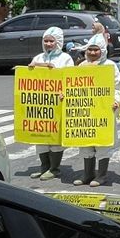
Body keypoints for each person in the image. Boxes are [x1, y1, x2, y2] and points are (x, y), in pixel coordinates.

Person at [71, 35, 120, 187]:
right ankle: (88, 173)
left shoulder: (110, 66)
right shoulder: (82, 66)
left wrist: (116, 101)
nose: (92, 53)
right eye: (90, 50)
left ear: (103, 51)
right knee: (85, 141)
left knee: (103, 143)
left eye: (96, 50)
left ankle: (101, 175)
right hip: (85, 109)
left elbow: (117, 87)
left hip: (104, 110)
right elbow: (73, 85)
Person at [28, 26, 73, 181]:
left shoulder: (66, 59)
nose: (48, 44)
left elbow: (71, 79)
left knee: (55, 137)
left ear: (58, 42)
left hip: (58, 103)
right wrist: (32, 67)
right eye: (45, 41)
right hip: (40, 104)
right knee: (40, 136)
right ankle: (44, 167)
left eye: (51, 41)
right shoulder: (38, 57)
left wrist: (64, 93)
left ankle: (54, 168)